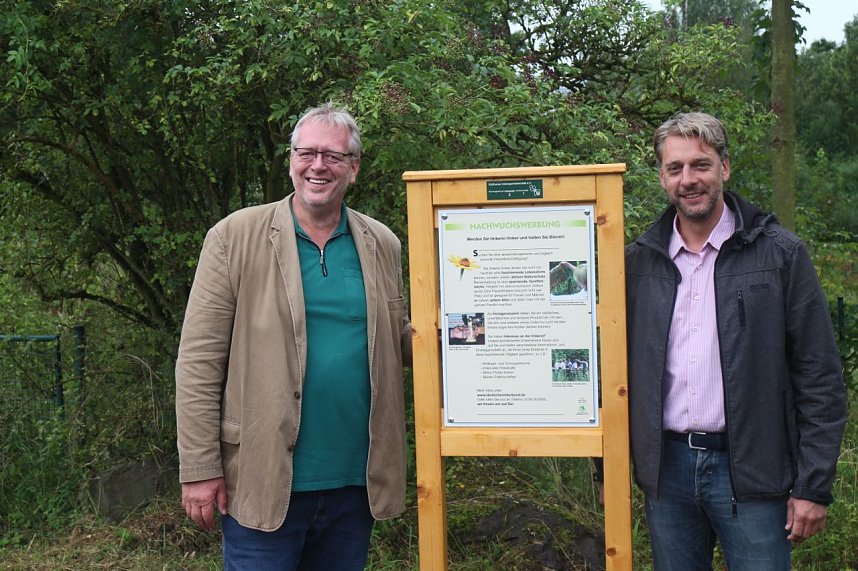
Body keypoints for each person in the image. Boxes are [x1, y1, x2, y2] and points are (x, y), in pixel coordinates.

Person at [175, 103, 412, 570]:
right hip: (263, 480)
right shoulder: (234, 237)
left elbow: (399, 340)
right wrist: (200, 469)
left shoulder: (382, 242)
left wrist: (474, 331)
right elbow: (199, 362)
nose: (318, 165)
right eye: (307, 153)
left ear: (353, 168)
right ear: (291, 159)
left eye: (333, 155)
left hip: (354, 483)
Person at [625, 111, 846, 570]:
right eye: (675, 168)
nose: (689, 179)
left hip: (753, 474)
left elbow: (820, 377)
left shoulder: (780, 255)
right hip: (667, 475)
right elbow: (615, 373)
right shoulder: (638, 265)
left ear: (724, 167)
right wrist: (610, 466)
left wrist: (812, 485)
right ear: (663, 178)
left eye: (700, 165)